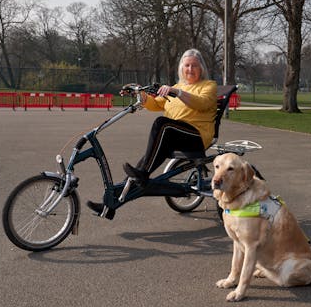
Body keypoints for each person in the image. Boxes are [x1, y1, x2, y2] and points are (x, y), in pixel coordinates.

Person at [87, 48, 218, 213]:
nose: (190, 69)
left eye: (194, 66)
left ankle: (142, 174)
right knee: (143, 162)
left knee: (162, 124)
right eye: (187, 66)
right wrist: (140, 94)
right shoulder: (177, 86)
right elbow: (155, 104)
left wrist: (177, 92)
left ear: (202, 69)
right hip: (173, 135)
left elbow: (201, 103)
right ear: (181, 68)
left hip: (196, 136)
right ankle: (110, 204)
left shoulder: (208, 86)